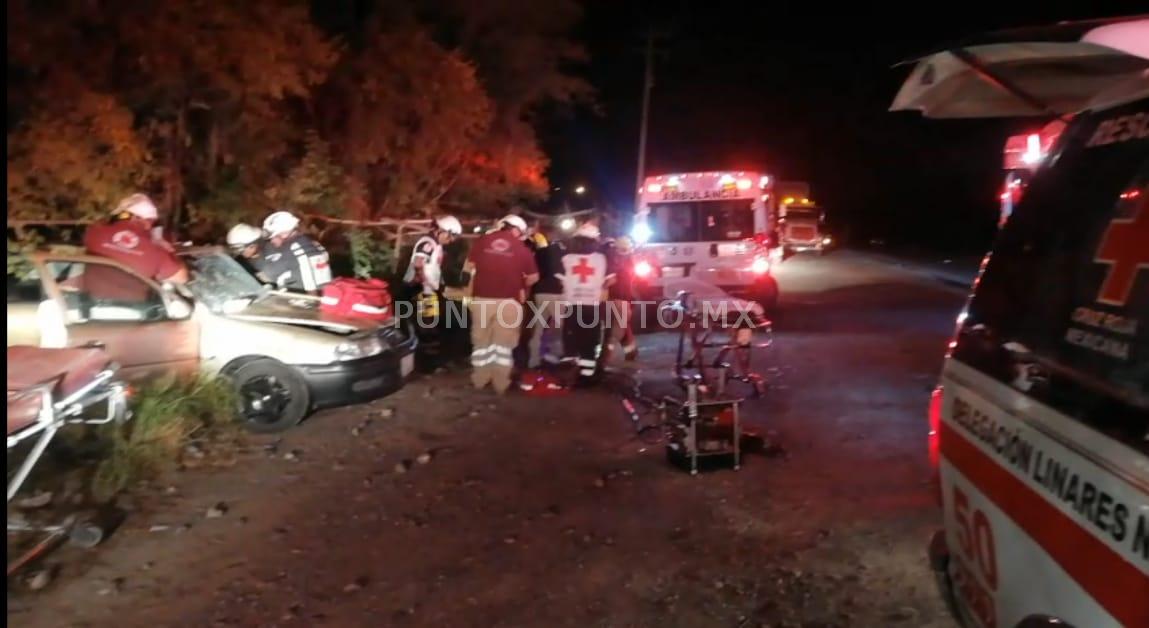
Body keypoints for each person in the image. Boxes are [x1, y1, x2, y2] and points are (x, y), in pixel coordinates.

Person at [462, 214, 539, 394]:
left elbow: (467, 269)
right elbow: (533, 278)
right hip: (509, 303)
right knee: (503, 346)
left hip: (481, 300)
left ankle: (480, 380)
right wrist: (519, 282)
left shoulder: (482, 242)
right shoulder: (522, 248)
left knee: (481, 343)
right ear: (516, 229)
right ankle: (500, 384)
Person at [83, 194, 189, 300]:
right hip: (132, 312)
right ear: (148, 221)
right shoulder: (155, 250)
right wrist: (168, 249)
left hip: (87, 308)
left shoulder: (95, 232)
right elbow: (181, 278)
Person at [559, 222, 615, 386]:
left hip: (572, 306)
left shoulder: (566, 259)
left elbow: (561, 283)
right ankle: (587, 376)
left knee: (572, 340)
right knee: (589, 342)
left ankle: (571, 374)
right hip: (592, 306)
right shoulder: (602, 259)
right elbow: (611, 280)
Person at [518, 228, 566, 369]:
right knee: (562, 328)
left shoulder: (536, 254)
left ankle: (534, 361)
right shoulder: (562, 252)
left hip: (540, 293)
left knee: (538, 328)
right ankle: (559, 358)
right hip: (557, 293)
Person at [259, 211, 332, 295]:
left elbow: (269, 272)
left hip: (304, 298)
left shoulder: (294, 247)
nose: (271, 241)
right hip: (323, 295)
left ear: (284, 233)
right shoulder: (310, 242)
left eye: (273, 237)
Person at [604, 235, 639, 362]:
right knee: (621, 326)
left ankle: (605, 356)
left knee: (615, 331)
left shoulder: (615, 262)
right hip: (621, 300)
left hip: (616, 299)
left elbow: (611, 281)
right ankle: (630, 352)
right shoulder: (627, 262)